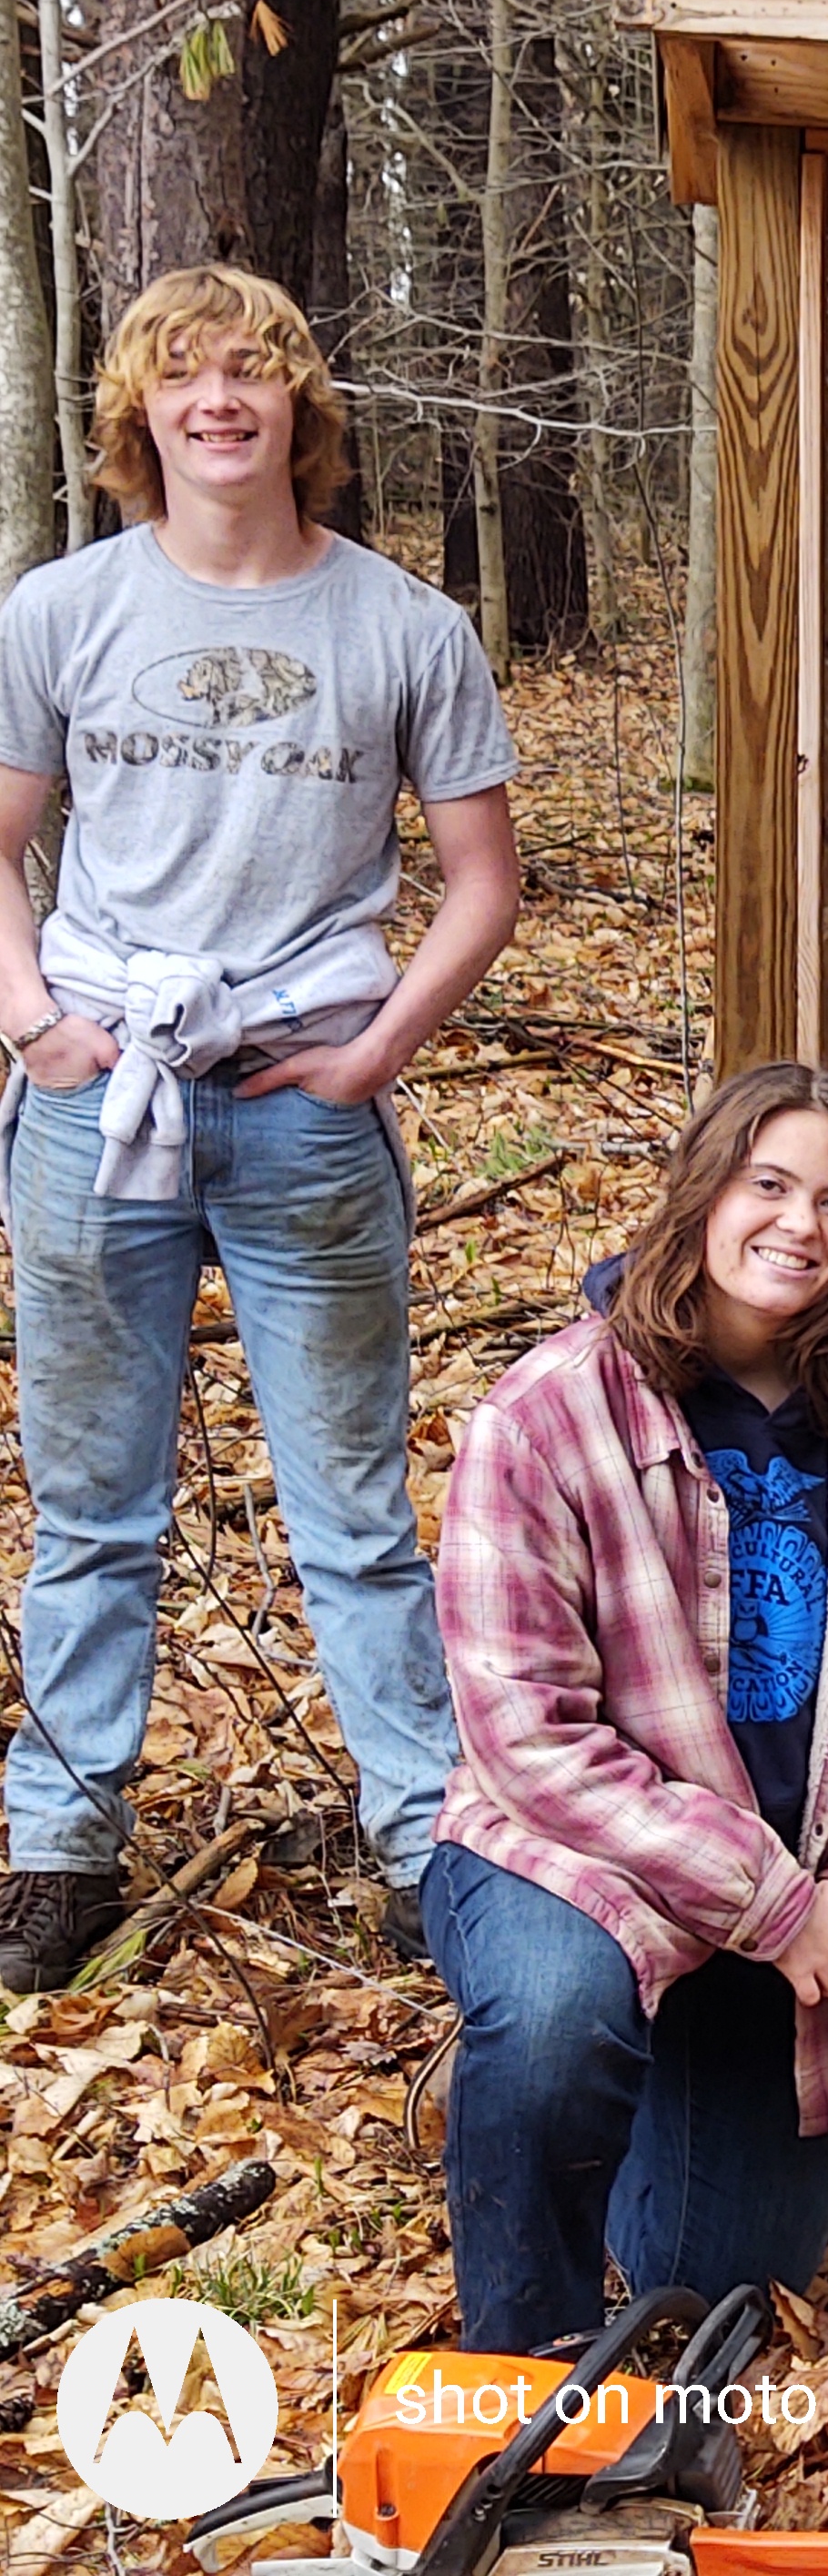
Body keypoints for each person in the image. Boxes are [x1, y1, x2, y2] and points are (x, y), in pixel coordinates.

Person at [0, 266, 521, 1991]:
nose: (219, 401)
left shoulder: (402, 627)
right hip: (99, 1109)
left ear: (303, 408)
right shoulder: (61, 612)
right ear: (136, 417)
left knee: (357, 1510)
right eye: (183, 377)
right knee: (90, 1503)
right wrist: (36, 1031)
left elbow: (479, 880)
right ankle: (62, 1840)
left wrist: (376, 1055)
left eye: (252, 373)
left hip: (304, 1110)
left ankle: (422, 1839)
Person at [421, 1066, 828, 2349]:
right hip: (585, 1865)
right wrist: (769, 1900)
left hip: (818, 1896)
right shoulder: (545, 1418)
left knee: (719, 2297)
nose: (798, 1227)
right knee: (552, 2028)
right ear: (704, 1192)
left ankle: (648, 2098)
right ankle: (520, 2363)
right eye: (768, 1185)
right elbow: (526, 1732)